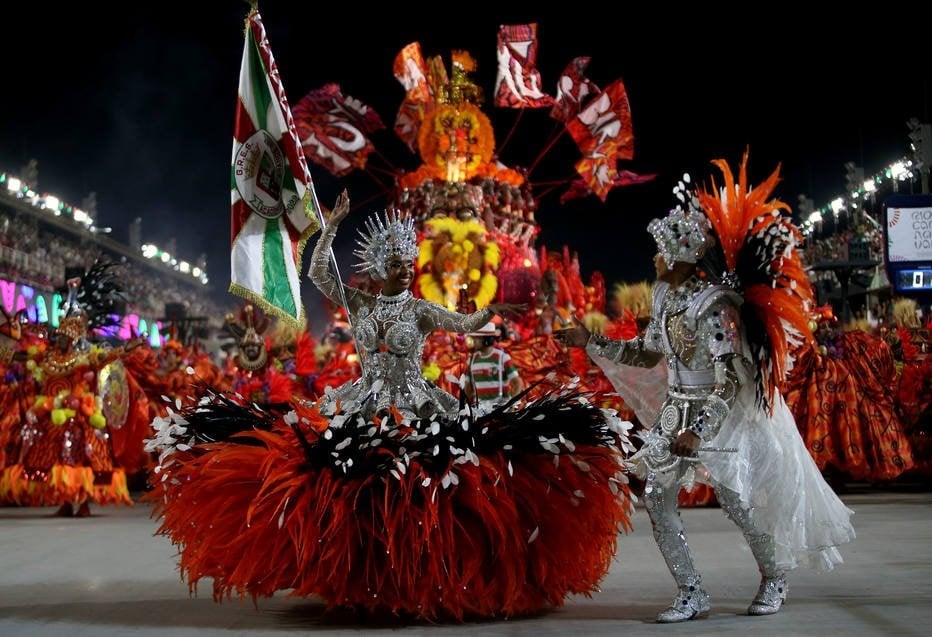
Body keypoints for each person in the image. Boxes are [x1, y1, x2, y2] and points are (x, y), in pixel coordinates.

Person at [147, 189, 636, 622]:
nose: (406, 269)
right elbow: (318, 272)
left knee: (419, 496)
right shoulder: (359, 303)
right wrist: (331, 226)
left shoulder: (419, 309)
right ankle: (360, 579)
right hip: (363, 404)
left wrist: (491, 312)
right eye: (398, 263)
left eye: (408, 262)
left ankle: (419, 578)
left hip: (417, 407)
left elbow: (462, 324)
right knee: (357, 496)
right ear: (381, 268)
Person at [556, 153, 855, 623]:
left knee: (736, 500)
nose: (654, 258)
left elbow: (729, 380)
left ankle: (775, 577)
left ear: (679, 258)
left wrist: (698, 432)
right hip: (676, 409)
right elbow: (647, 354)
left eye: (660, 251)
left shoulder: (715, 307)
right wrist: (589, 341)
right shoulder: (664, 296)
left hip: (719, 414)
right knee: (657, 498)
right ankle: (692, 592)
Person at [464, 320, 523, 412]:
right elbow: (468, 387)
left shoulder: (502, 358)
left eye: (477, 338)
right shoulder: (471, 360)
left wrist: (511, 404)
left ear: (486, 340)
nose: (473, 341)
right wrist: (465, 408)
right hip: (480, 412)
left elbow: (518, 383)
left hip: (500, 411)